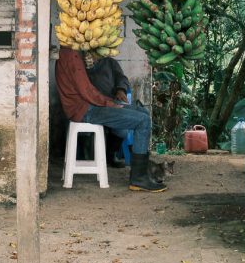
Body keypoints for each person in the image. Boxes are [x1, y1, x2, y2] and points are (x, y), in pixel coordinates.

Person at [55, 46, 166, 192]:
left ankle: (141, 168)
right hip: (86, 109)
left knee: (143, 114)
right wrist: (110, 103)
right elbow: (87, 91)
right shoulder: (72, 55)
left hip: (92, 105)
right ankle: (138, 179)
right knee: (143, 121)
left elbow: (112, 82)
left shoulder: (71, 53)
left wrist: (114, 98)